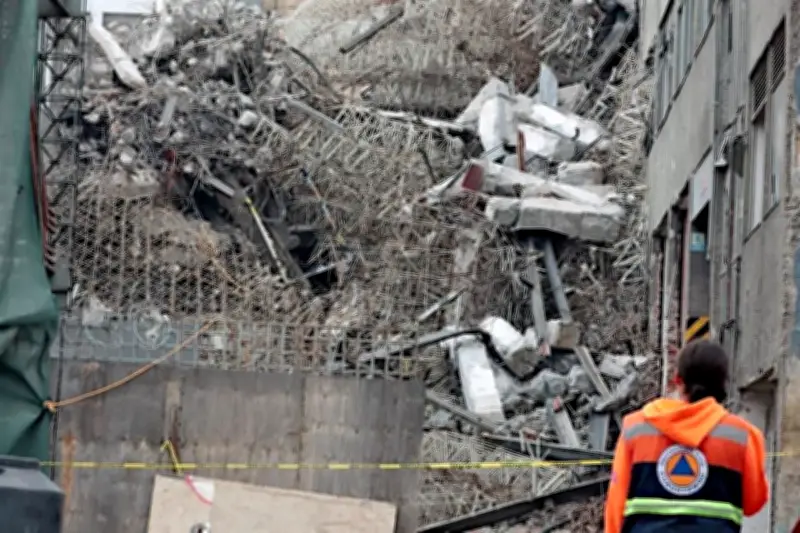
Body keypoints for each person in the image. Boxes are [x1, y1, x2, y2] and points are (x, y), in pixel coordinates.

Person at [604, 339, 769, 533]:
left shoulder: (636, 428)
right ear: (723, 381)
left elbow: (616, 504)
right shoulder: (743, 435)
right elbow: (754, 503)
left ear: (677, 380)